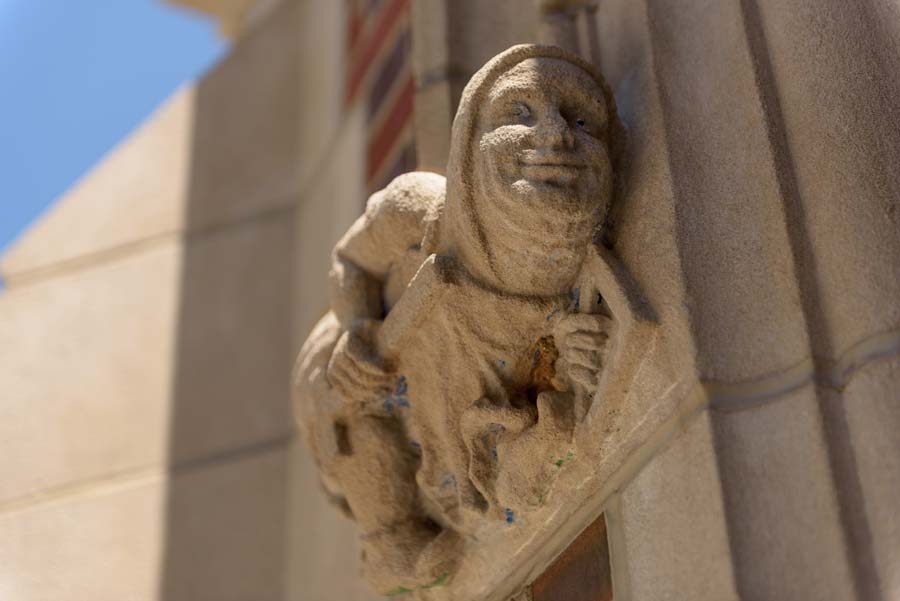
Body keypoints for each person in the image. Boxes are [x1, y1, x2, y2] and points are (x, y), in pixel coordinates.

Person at [293, 43, 625, 594]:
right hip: (377, 383)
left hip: (465, 416)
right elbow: (351, 262)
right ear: (469, 143)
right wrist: (355, 329)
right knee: (361, 435)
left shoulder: (572, 305)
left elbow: (529, 449)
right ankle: (391, 539)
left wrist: (565, 391)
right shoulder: (418, 210)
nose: (556, 134)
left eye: (581, 117)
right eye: (518, 113)